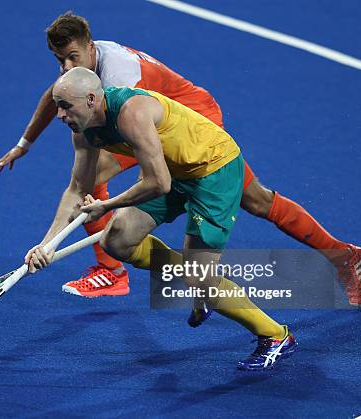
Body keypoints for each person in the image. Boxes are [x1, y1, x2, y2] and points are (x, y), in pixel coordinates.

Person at [0, 12, 361, 306]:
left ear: (90, 46)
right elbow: (54, 94)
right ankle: (343, 256)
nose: (65, 67)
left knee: (97, 177)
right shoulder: (81, 73)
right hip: (159, 124)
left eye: (71, 58)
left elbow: (133, 134)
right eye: (60, 60)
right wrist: (24, 143)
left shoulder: (115, 79)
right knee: (255, 199)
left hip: (195, 120)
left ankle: (112, 271)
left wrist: (93, 209)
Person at [25, 67, 297, 370]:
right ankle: (202, 283)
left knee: (202, 278)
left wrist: (107, 204)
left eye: (65, 106)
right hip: (173, 170)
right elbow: (77, 189)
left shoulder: (131, 113)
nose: (59, 115)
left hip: (213, 171)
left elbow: (159, 184)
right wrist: (46, 245)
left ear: (91, 98)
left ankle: (276, 336)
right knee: (117, 239)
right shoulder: (83, 130)